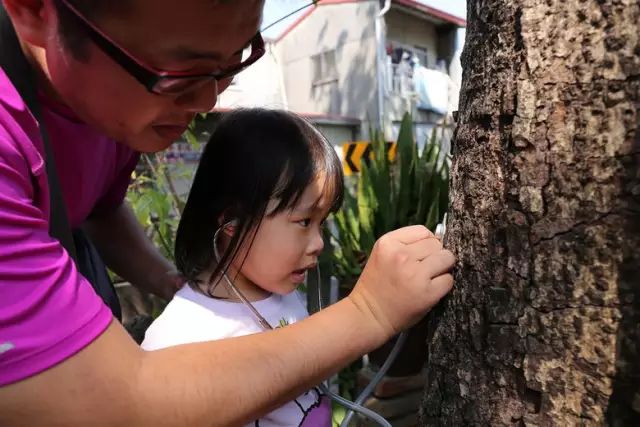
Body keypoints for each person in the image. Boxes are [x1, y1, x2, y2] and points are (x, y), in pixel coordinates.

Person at [0, 1, 456, 426]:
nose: (205, 102)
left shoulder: (115, 109)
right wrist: (370, 311)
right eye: (177, 76)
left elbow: (98, 206)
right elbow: (119, 399)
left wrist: (166, 279)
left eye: (232, 63)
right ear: (35, 10)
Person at [143, 109, 343, 426]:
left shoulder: (282, 293)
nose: (318, 242)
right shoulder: (177, 339)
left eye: (322, 222)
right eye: (304, 221)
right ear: (233, 222)